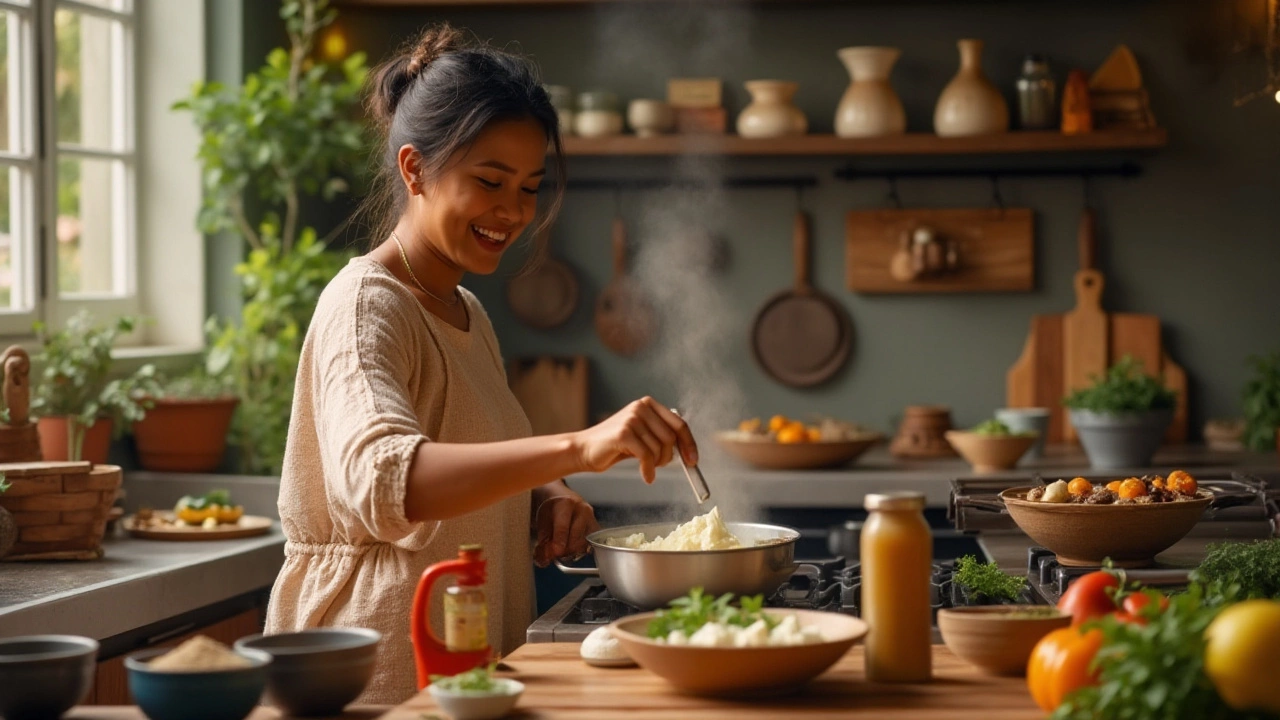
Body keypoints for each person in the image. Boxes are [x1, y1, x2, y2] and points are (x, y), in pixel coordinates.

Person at [264, 23, 697, 705]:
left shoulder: (466, 309)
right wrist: (578, 448)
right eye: (489, 181)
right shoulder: (364, 306)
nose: (513, 212)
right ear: (415, 170)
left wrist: (547, 495)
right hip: (382, 675)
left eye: (529, 187)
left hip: (465, 672)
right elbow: (387, 484)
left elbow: (476, 455)